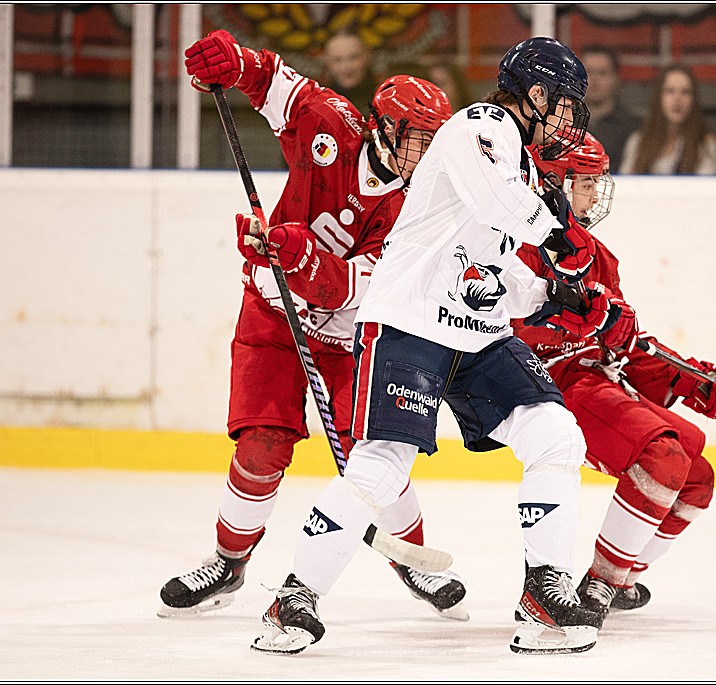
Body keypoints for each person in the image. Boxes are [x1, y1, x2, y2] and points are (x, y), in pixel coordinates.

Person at [250, 36, 616, 657]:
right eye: (563, 104)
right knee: (380, 466)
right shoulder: (481, 126)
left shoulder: (521, 166)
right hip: (410, 325)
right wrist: (556, 237)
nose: (568, 119)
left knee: (556, 433)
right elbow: (495, 200)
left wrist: (552, 293)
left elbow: (487, 274)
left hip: (475, 336)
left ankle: (542, 594)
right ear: (533, 95)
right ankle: (295, 599)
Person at [159, 30, 467, 622]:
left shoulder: (419, 209)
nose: (426, 155)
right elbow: (271, 79)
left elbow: (358, 286)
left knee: (372, 454)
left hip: (351, 338)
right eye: (419, 140)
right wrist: (235, 62)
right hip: (273, 314)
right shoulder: (329, 122)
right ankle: (228, 562)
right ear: (385, 127)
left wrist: (300, 256)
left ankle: (413, 560)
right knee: (263, 440)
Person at [518, 133, 716, 628]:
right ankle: (601, 585)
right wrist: (585, 322)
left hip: (594, 381)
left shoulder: (597, 256)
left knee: (696, 472)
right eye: (584, 182)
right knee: (663, 454)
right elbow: (507, 327)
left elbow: (626, 343)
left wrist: (700, 381)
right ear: (552, 183)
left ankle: (616, 575)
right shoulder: (516, 247)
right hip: (545, 386)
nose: (594, 192)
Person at [620, 64, 716, 175]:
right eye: (670, 91)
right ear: (658, 98)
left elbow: (706, 188)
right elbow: (626, 183)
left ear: (694, 100)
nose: (677, 98)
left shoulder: (706, 145)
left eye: (685, 92)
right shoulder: (638, 141)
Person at [581, 46, 641, 174]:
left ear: (616, 78)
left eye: (602, 73)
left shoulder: (634, 126)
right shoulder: (563, 123)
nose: (594, 80)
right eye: (588, 72)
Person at [322, 29, 380, 111]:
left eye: (354, 57)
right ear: (326, 61)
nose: (346, 67)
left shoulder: (386, 100)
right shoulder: (319, 107)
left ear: (367, 56)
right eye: (337, 59)